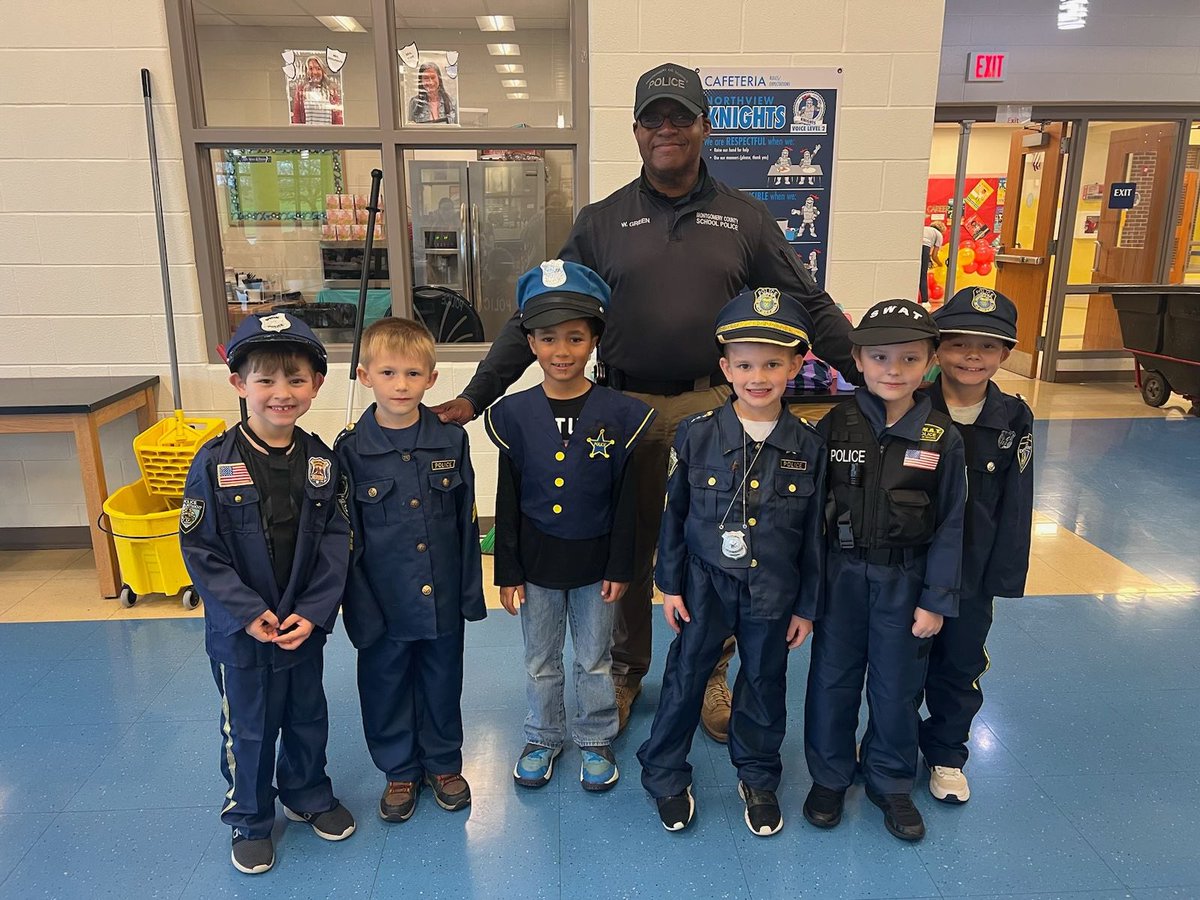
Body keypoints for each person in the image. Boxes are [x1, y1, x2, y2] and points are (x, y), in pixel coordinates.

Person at [432, 62, 858, 743]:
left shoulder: (745, 219)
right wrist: (477, 394)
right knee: (624, 546)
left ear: (703, 126)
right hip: (620, 410)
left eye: (680, 117)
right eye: (653, 118)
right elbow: (539, 312)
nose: (666, 129)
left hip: (714, 409)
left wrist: (868, 365)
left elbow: (806, 303)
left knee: (718, 543)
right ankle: (624, 670)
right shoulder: (602, 222)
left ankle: (712, 672)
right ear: (636, 131)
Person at [637, 287, 825, 836]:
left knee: (765, 680)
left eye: (772, 363)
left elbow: (813, 536)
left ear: (796, 365)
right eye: (744, 364)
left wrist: (807, 607)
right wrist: (668, 586)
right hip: (704, 582)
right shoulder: (697, 435)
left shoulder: (808, 444)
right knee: (686, 674)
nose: (758, 375)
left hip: (774, 587)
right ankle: (666, 771)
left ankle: (759, 775)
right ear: (725, 367)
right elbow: (674, 515)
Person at [179, 311, 355, 875]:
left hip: (301, 625)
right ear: (238, 384)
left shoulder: (323, 463)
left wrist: (314, 612)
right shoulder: (213, 463)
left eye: (296, 380)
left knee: (307, 714)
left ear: (316, 385)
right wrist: (248, 611)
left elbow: (336, 540)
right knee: (248, 726)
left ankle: (306, 794)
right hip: (241, 633)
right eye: (266, 380)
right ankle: (251, 817)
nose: (282, 393)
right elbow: (200, 549)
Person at [484, 260, 655, 791]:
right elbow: (507, 501)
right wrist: (506, 572)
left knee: (595, 660)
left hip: (595, 565)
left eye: (576, 337)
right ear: (530, 342)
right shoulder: (511, 414)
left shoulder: (623, 414)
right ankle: (542, 734)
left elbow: (630, 503)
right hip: (536, 564)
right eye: (548, 337)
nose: (562, 351)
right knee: (540, 660)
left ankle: (595, 737)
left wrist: (621, 565)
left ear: (595, 340)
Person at [803, 299, 966, 844]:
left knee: (898, 689)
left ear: (931, 362)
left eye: (908, 358)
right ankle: (828, 776)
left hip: (907, 581)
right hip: (841, 579)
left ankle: (891, 781)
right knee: (832, 680)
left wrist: (936, 598)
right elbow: (810, 514)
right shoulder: (835, 425)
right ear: (857, 360)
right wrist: (810, 588)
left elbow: (951, 522)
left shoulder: (943, 438)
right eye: (879, 357)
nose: (892, 370)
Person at [335, 317, 485, 823]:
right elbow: (347, 537)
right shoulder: (351, 451)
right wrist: (358, 608)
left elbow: (466, 522)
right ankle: (399, 769)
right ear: (364, 376)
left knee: (443, 680)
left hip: (441, 595)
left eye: (414, 374)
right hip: (383, 600)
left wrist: (469, 593)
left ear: (432, 379)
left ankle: (443, 764)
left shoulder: (450, 441)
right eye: (389, 373)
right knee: (385, 683)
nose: (401, 385)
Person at [921, 287, 1033, 804]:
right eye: (959, 343)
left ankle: (946, 753)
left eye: (987, 347)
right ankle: (890, 744)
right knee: (900, 664)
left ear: (1005, 354)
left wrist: (1002, 578)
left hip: (972, 575)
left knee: (960, 666)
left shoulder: (1013, 419)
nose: (972, 356)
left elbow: (1016, 503)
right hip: (911, 571)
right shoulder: (909, 407)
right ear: (937, 347)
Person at [291, 55, 344, 126]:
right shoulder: (301, 90)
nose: (314, 72)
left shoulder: (331, 90)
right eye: (310, 68)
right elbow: (296, 117)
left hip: (329, 135)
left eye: (318, 68)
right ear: (307, 71)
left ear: (323, 71)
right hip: (307, 136)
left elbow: (338, 118)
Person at [919, 224, 944, 305]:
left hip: (915, 246)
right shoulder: (938, 234)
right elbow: (934, 255)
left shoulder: (925, 228)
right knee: (923, 276)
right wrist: (940, 264)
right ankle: (925, 301)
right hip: (925, 247)